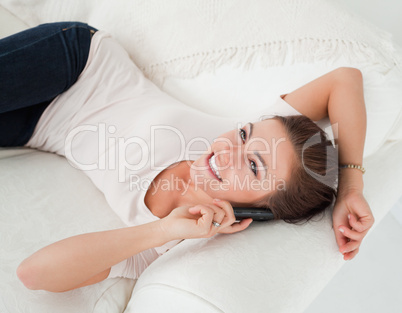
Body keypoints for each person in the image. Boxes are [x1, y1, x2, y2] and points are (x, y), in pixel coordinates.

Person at [0, 22, 374, 293]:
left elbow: (33, 273)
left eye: (252, 166)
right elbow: (344, 79)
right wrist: (351, 188)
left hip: (39, 128)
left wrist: (162, 229)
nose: (228, 150)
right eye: (245, 134)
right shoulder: (225, 138)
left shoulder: (169, 239)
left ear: (261, 210)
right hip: (79, 66)